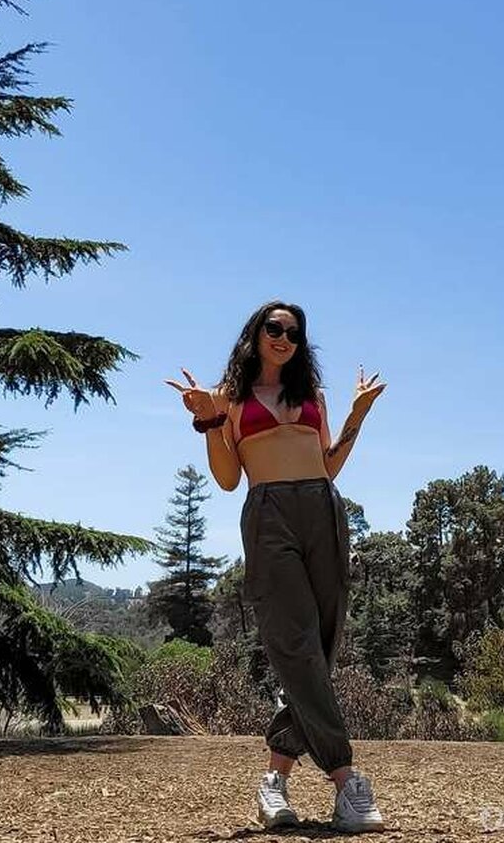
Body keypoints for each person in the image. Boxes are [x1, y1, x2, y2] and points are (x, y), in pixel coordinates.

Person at [164, 300, 387, 833]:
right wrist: (208, 419)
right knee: (295, 642)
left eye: (294, 331)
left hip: (323, 509)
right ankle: (346, 779)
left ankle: (274, 781)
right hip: (269, 514)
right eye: (275, 327)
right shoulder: (228, 397)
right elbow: (226, 478)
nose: (284, 337)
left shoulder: (313, 395)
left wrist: (357, 414)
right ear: (255, 333)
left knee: (322, 645)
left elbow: (328, 465)